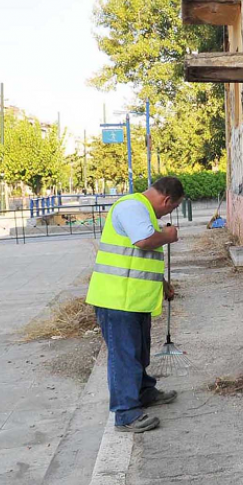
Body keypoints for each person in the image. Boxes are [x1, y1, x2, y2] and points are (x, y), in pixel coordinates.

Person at [86, 177, 184, 433]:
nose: (168, 214)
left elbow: (139, 256)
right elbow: (143, 241)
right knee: (124, 355)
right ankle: (126, 413)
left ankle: (143, 391)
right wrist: (168, 236)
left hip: (134, 299)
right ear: (166, 200)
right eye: (172, 209)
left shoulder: (143, 211)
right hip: (117, 299)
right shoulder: (132, 207)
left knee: (138, 352)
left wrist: (161, 283)